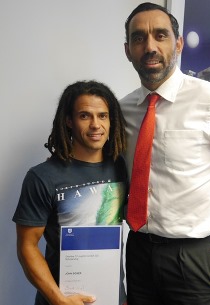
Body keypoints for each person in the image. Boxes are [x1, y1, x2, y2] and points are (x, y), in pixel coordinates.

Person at [120, 2, 210, 305]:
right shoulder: (122, 110)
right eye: (139, 38)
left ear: (179, 44)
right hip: (138, 251)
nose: (150, 46)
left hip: (195, 257)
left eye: (161, 35)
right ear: (128, 49)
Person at [13, 80, 128, 305]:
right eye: (85, 116)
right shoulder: (43, 176)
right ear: (69, 121)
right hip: (63, 299)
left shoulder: (120, 167)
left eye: (103, 116)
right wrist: (58, 299)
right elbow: (27, 246)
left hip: (113, 297)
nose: (96, 124)